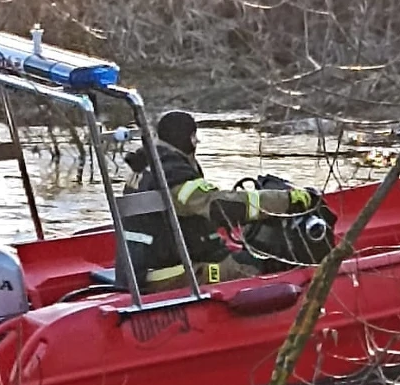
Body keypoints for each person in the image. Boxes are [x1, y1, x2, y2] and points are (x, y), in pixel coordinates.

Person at [122, 110, 317, 292]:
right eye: (194, 136)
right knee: (257, 266)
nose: (197, 141)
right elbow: (219, 207)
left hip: (142, 264)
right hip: (170, 272)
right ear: (187, 139)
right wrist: (286, 201)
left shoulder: (146, 164)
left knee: (237, 253)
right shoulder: (173, 174)